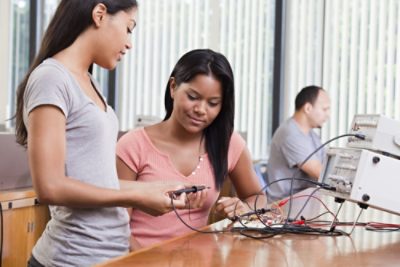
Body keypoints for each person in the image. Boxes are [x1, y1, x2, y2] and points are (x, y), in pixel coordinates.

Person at [15, 1, 195, 266]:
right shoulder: (51, 78)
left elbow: (95, 179)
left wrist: (153, 189)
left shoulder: (90, 83)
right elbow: (50, 187)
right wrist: (135, 196)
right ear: (100, 14)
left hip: (110, 255)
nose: (129, 43)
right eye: (128, 28)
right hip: (70, 259)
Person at [116, 49, 266, 249]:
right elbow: (118, 225)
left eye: (213, 103)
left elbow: (257, 196)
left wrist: (244, 208)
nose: (201, 110)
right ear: (173, 87)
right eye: (193, 97)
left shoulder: (228, 143)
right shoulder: (133, 145)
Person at [265, 85, 331, 202]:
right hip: (285, 205)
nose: (328, 115)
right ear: (308, 108)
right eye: (324, 109)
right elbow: (320, 172)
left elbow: (326, 164)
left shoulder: (312, 135)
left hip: (304, 200)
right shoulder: (290, 134)